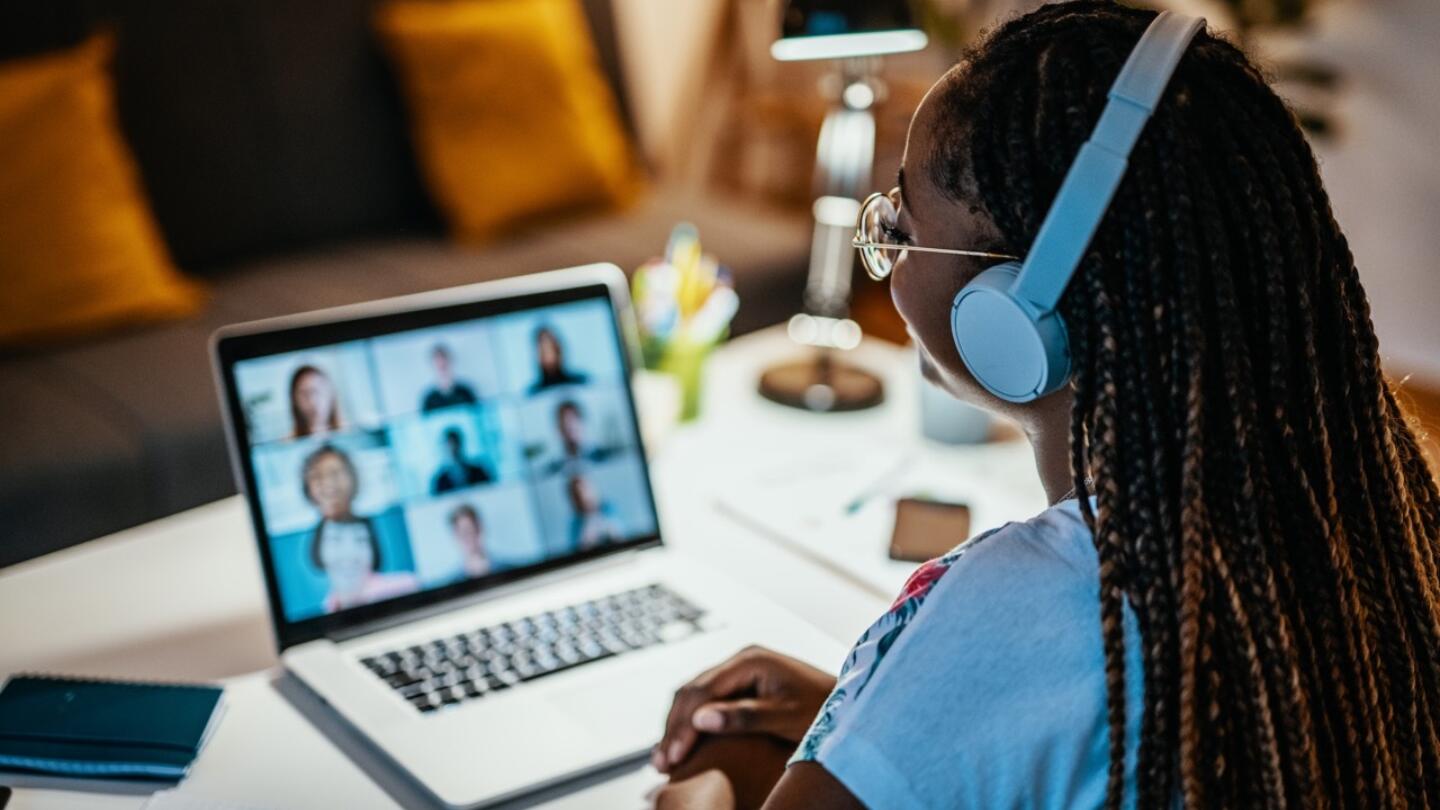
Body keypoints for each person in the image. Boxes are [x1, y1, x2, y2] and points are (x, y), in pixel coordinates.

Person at [650, 4, 1440, 809]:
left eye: (900, 224)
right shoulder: (1372, 530)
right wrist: (877, 721)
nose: (884, 257)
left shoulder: (1028, 601)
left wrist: (698, 789)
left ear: (1018, 311)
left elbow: (1027, 673)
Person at [301, 444, 418, 613]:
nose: (328, 483)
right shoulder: (327, 608)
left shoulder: (406, 586)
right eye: (317, 476)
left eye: (335, 473)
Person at [540, 399, 618, 476]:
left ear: (582, 423)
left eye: (571, 421)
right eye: (563, 423)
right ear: (558, 429)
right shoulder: (554, 469)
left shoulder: (604, 456)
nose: (568, 427)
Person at [430, 427, 493, 494]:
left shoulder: (478, 471)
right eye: (448, 445)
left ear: (460, 444)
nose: (452, 448)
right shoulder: (440, 480)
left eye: (454, 443)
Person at [420, 343, 479, 414]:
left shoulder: (466, 392)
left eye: (444, 365)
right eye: (439, 366)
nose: (441, 365)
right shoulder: (429, 399)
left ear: (450, 361)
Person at [567, 474, 620, 551]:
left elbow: (620, 537)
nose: (584, 497)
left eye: (585, 490)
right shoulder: (575, 524)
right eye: (577, 495)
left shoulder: (608, 508)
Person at [289, 364, 342, 438]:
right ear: (294, 400)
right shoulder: (287, 444)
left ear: (330, 394)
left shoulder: (351, 434)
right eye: (304, 393)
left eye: (317, 391)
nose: (312, 401)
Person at [529, 325, 587, 393]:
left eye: (552, 348)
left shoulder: (579, 383)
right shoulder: (534, 394)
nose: (550, 355)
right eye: (545, 351)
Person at [448, 503, 491, 578]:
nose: (469, 537)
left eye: (471, 530)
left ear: (479, 528)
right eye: (463, 532)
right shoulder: (452, 580)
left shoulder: (507, 567)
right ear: (456, 536)